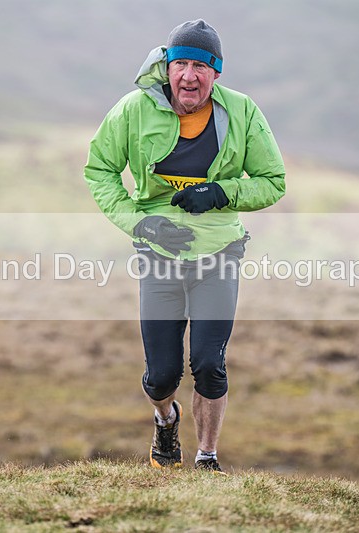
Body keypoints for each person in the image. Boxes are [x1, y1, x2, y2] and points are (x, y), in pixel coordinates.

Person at [84, 19, 285, 473]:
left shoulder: (242, 111)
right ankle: (165, 419)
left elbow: (274, 182)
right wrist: (143, 225)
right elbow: (99, 171)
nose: (189, 76)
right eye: (181, 65)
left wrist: (220, 193)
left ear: (216, 73)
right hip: (158, 253)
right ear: (166, 66)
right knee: (161, 375)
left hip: (220, 252)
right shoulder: (134, 110)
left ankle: (207, 456)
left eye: (200, 66)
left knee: (209, 363)